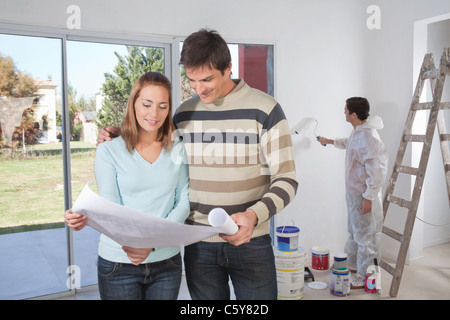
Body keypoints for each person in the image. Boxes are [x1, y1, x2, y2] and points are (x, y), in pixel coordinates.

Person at [98, 29, 298, 300]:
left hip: (251, 240)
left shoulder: (266, 109)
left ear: (228, 68)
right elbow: (152, 134)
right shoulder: (184, 113)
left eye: (207, 79)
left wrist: (253, 216)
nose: (199, 89)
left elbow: (287, 180)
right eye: (191, 81)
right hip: (198, 244)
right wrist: (117, 134)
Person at [65, 72, 190, 300]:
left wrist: (150, 243)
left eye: (163, 106)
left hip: (167, 262)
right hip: (118, 263)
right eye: (147, 104)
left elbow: (183, 201)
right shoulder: (108, 150)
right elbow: (112, 204)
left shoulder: (177, 148)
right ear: (133, 103)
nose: (154, 114)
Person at [317, 97, 387, 289]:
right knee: (355, 231)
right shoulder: (359, 132)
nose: (344, 113)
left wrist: (369, 197)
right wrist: (329, 141)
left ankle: (367, 278)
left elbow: (378, 171)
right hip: (355, 193)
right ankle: (353, 265)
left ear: (354, 114)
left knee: (367, 237)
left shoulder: (370, 137)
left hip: (364, 195)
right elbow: (350, 144)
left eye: (346, 110)